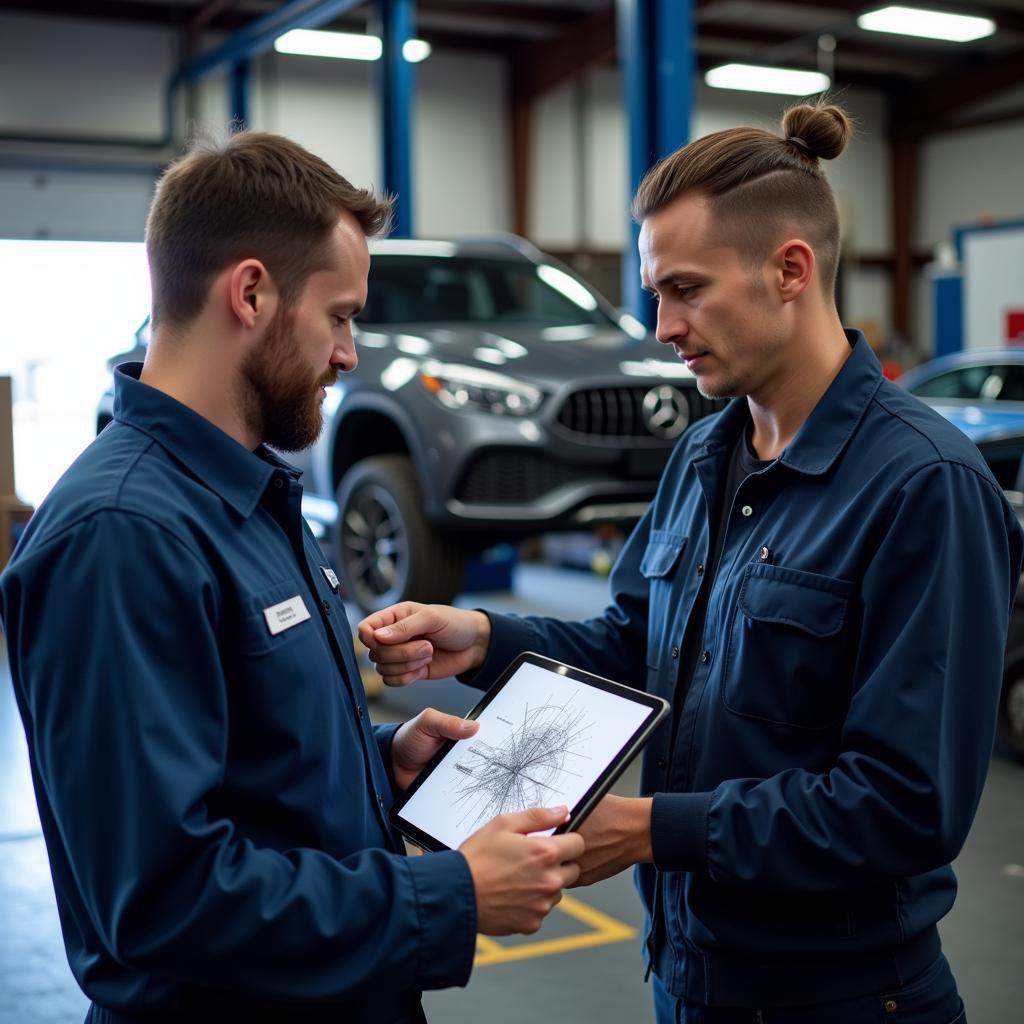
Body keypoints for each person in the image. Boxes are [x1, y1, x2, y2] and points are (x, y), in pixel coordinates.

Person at [359, 102, 1024, 1023]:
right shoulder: (704, 457)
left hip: (846, 998)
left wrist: (648, 829)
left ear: (790, 269)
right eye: (653, 292)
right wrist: (481, 636)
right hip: (688, 976)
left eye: (686, 289)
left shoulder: (924, 487)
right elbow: (637, 644)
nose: (663, 326)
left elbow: (907, 804)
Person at [0, 131, 585, 1024]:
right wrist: (452, 898)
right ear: (250, 293)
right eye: (341, 315)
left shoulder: (251, 493)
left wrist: (379, 768)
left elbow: (242, 768)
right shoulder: (122, 537)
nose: (350, 353)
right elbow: (161, 898)